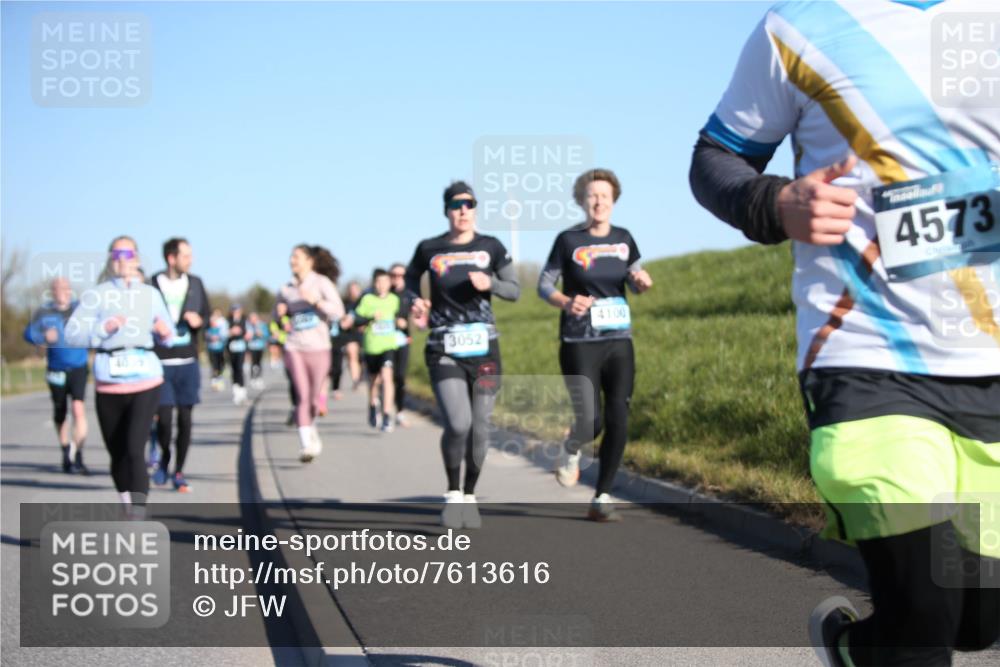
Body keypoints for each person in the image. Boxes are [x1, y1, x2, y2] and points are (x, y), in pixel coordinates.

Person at [690, 3, 1000, 665]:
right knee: (924, 612)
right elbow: (715, 157)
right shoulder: (800, 27)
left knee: (976, 615)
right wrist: (775, 203)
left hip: (989, 361)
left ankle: (856, 648)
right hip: (865, 355)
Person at [539, 169, 653, 522]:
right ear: (582, 201)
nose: (599, 201)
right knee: (591, 419)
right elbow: (544, 284)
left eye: (605, 195)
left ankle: (602, 495)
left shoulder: (624, 239)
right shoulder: (568, 241)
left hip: (618, 339)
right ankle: (573, 444)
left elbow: (634, 278)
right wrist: (564, 301)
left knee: (619, 415)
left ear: (614, 200)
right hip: (578, 340)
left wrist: (641, 281)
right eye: (592, 195)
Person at [405, 180, 520, 529]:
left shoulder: (492, 246)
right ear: (446, 210)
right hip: (444, 346)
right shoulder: (430, 248)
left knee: (480, 428)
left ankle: (470, 494)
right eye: (456, 205)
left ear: (476, 209)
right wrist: (415, 302)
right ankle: (452, 493)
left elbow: (514, 290)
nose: (463, 210)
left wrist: (492, 285)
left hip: (484, 347)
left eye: (469, 204)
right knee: (458, 423)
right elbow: (409, 282)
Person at [64, 236, 175, 515]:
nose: (122, 258)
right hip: (109, 380)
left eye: (128, 253)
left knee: (135, 448)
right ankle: (127, 501)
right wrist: (102, 329)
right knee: (117, 453)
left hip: (146, 378)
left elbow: (171, 336)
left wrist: (164, 332)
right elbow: (72, 335)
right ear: (110, 259)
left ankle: (138, 513)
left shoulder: (150, 295)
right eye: (116, 253)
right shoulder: (97, 295)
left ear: (137, 258)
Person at [149, 237, 210, 493]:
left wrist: (199, 320)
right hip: (160, 362)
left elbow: (206, 314)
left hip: (187, 361)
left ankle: (179, 471)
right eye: (186, 255)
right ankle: (164, 456)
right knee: (164, 420)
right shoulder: (151, 285)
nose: (191, 260)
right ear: (171, 258)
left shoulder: (195, 284)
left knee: (185, 419)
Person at [275, 244, 344, 462]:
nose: (292, 260)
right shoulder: (285, 289)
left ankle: (311, 429)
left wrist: (316, 301)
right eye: (291, 256)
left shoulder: (321, 283)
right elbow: (277, 318)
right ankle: (306, 444)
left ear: (309, 261)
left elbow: (338, 311)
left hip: (319, 347)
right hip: (294, 347)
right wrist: (281, 316)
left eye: (296, 256)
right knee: (302, 396)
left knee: (314, 399)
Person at [23, 277, 91, 474]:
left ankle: (78, 453)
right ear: (53, 291)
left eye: (67, 288)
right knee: (60, 412)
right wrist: (42, 337)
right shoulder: (44, 312)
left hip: (78, 366)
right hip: (56, 368)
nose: (64, 291)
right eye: (59, 288)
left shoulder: (80, 309)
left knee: (79, 409)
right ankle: (65, 451)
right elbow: (28, 333)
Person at [343, 268, 404, 433]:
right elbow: (356, 319)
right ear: (374, 283)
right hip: (371, 347)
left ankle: (386, 415)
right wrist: (370, 318)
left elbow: (402, 315)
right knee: (373, 382)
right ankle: (372, 405)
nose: (381, 285)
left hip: (388, 345)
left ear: (389, 283)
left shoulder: (394, 299)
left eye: (384, 281)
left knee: (387, 376)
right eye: (378, 282)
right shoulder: (367, 299)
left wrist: (401, 322)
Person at [389, 262, 415, 426]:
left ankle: (399, 411)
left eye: (401, 275)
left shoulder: (410, 294)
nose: (397, 279)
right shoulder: (384, 294)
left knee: (400, 377)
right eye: (394, 275)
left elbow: (419, 316)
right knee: (386, 376)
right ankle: (385, 408)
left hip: (403, 340)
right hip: (384, 341)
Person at [340, 281, 365, 391]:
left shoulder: (366, 302)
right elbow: (341, 318)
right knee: (352, 354)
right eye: (351, 290)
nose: (353, 292)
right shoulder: (345, 304)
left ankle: (361, 376)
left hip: (365, 333)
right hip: (350, 334)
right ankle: (356, 380)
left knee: (363, 359)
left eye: (356, 289)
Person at [227, 304, 250, 405]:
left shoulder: (245, 320)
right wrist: (231, 332)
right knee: (233, 368)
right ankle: (235, 390)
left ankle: (242, 391)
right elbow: (223, 333)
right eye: (234, 311)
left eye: (238, 311)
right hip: (231, 348)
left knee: (240, 368)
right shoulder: (228, 321)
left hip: (241, 347)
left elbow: (249, 333)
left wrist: (244, 333)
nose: (236, 313)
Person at [205, 309, 228, 391]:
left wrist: (219, 337)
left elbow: (225, 335)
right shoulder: (209, 327)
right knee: (214, 364)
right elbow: (206, 335)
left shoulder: (222, 324)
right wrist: (210, 337)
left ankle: (220, 378)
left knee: (221, 364)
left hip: (220, 348)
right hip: (211, 348)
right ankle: (214, 380)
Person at [247, 311, 268, 390]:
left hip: (260, 346)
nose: (253, 320)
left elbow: (266, 334)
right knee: (253, 363)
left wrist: (261, 334)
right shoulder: (248, 325)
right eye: (251, 318)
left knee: (259, 363)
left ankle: (259, 378)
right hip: (252, 346)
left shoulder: (262, 324)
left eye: (254, 318)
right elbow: (247, 336)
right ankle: (253, 378)